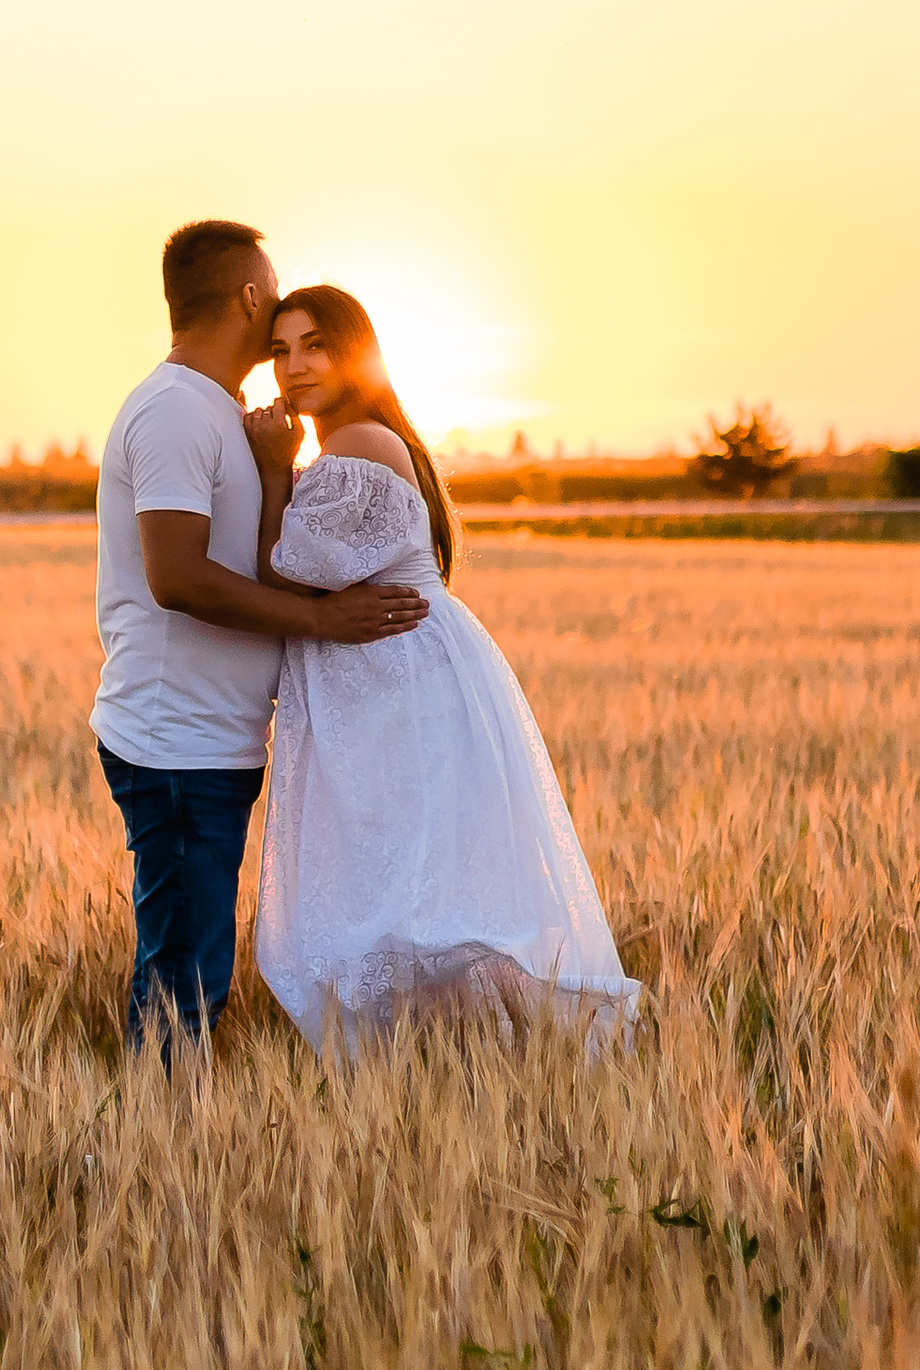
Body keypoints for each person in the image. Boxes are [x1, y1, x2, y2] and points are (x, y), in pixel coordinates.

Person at [252, 283, 640, 1051]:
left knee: (415, 898)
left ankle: (485, 1071)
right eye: (280, 351)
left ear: (355, 351)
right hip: (404, 677)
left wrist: (271, 468)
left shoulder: (357, 443)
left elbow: (283, 570)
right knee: (424, 892)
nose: (294, 367)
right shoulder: (368, 439)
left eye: (315, 345)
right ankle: (472, 1072)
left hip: (396, 684)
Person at [92, 221, 430, 1050]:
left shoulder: (224, 413)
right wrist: (320, 621)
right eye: (271, 295)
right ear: (249, 296)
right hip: (177, 743)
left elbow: (274, 552)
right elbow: (177, 576)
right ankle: (157, 1151)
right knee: (187, 975)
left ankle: (164, 1142)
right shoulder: (175, 411)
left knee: (194, 965)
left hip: (217, 738)